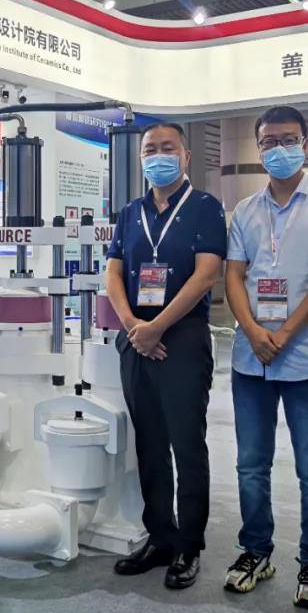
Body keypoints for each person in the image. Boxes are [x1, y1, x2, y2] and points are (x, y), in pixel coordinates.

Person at [224, 106, 308, 607]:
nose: (279, 149)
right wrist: (253, 331)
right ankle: (256, 551)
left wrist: (287, 332)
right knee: (251, 466)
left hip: (307, 359)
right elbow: (234, 276)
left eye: (288, 139)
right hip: (250, 360)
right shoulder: (245, 211)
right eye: (269, 141)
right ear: (258, 148)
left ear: (306, 145)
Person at [105, 122, 227, 589]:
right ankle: (160, 536)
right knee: (150, 443)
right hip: (136, 338)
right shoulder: (130, 212)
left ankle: (189, 545)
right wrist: (135, 327)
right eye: (150, 150)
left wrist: (158, 326)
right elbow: (113, 274)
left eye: (167, 147)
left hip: (183, 338)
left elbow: (206, 274)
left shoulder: (205, 208)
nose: (158, 156)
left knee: (187, 445)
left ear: (186, 155)